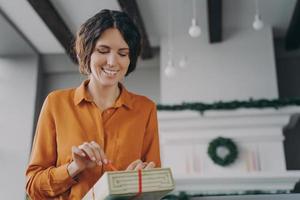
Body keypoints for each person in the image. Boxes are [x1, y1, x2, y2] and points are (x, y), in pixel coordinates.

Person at [26, 9, 161, 200]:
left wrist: (140, 184)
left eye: (123, 53)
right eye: (103, 51)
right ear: (87, 51)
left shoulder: (145, 109)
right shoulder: (56, 104)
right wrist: (75, 167)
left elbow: (155, 189)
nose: (113, 62)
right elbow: (33, 187)